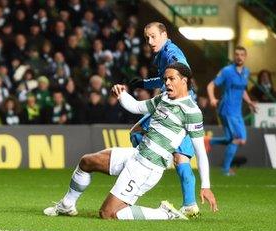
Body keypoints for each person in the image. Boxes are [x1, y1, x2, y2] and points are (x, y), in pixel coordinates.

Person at [44, 62, 218, 220]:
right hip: (136, 154)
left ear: (184, 80)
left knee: (108, 213)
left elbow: (200, 152)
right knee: (87, 161)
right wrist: (121, 94)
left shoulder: (191, 111)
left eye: (172, 79)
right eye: (165, 79)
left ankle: (164, 213)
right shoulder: (163, 98)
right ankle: (67, 205)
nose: (167, 83)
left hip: (149, 167)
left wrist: (206, 186)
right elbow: (136, 107)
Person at [126, 22, 199, 217]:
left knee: (136, 133)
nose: (150, 41)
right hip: (184, 105)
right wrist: (144, 82)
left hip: (175, 106)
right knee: (181, 156)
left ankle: (156, 160)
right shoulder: (163, 53)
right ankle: (190, 204)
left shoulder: (171, 53)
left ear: (164, 34)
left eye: (153, 36)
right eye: (147, 38)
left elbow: (181, 70)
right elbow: (168, 77)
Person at [206, 46, 257, 176]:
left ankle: (208, 141)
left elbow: (242, 89)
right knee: (240, 139)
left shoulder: (246, 72)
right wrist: (212, 98)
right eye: (237, 54)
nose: (239, 57)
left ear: (245, 57)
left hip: (236, 111)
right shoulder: (227, 71)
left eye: (242, 55)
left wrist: (250, 102)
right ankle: (225, 169)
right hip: (228, 109)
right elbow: (211, 85)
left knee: (230, 139)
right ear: (234, 56)